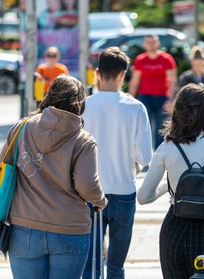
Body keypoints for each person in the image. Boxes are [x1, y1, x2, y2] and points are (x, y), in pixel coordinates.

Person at [0, 75, 107, 279]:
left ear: (49, 96)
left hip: (24, 227)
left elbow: (2, 170)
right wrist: (100, 200)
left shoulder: (21, 128)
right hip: (69, 228)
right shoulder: (83, 140)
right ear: (80, 104)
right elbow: (87, 186)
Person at [137, 84, 204, 278]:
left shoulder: (167, 147)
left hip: (174, 228)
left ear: (177, 112)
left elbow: (143, 197)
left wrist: (168, 188)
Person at [81, 47, 153, 279]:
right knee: (116, 266)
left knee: (90, 266)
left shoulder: (83, 106)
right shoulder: (136, 108)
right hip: (124, 191)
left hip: (90, 193)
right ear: (124, 74)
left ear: (97, 73)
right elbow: (145, 157)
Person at [128, 35, 177, 149]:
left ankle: (159, 154)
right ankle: (145, 153)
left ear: (158, 43)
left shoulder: (166, 59)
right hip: (145, 97)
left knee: (161, 128)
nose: (151, 44)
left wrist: (170, 99)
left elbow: (172, 81)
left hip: (162, 97)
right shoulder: (140, 60)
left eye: (153, 42)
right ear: (144, 44)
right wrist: (130, 98)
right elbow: (135, 81)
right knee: (145, 126)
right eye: (148, 42)